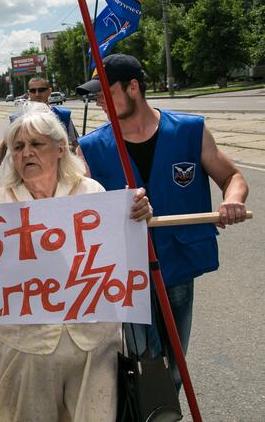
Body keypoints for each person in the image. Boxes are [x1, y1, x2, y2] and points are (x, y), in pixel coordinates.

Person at [0, 111, 152, 421]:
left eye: (36, 143)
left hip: (95, 345)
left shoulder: (93, 193)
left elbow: (122, 258)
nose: (26, 153)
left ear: (60, 148)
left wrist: (138, 216)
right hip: (26, 348)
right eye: (18, 147)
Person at [75, 53, 249, 389]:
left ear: (134, 87)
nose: (97, 98)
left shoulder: (189, 131)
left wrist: (232, 200)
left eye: (104, 90)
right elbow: (78, 208)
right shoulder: (91, 148)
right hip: (125, 277)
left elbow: (233, 177)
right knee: (143, 364)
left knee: (175, 366)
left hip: (177, 267)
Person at [0, 77, 79, 187]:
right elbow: (3, 147)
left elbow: (76, 146)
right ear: (29, 94)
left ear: (49, 91)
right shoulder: (18, 119)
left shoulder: (63, 115)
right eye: (33, 91)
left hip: (60, 177)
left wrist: (79, 171)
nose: (37, 94)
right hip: (30, 180)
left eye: (41, 90)